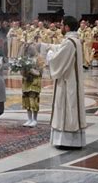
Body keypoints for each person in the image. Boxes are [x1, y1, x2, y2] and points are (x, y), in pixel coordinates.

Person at [46, 16, 86, 149]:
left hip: (68, 81)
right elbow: (61, 49)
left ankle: (67, 141)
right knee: (70, 106)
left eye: (62, 25)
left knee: (67, 107)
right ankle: (70, 140)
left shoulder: (69, 42)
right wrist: (47, 46)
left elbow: (58, 60)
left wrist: (50, 55)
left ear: (67, 27)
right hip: (72, 80)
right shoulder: (75, 40)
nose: (60, 27)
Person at [21, 43, 45, 128]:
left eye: (31, 49)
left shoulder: (39, 58)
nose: (29, 51)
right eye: (28, 50)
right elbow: (22, 70)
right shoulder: (26, 58)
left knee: (33, 100)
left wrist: (32, 70)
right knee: (26, 99)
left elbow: (40, 72)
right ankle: (29, 119)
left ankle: (35, 119)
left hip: (35, 82)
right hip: (26, 81)